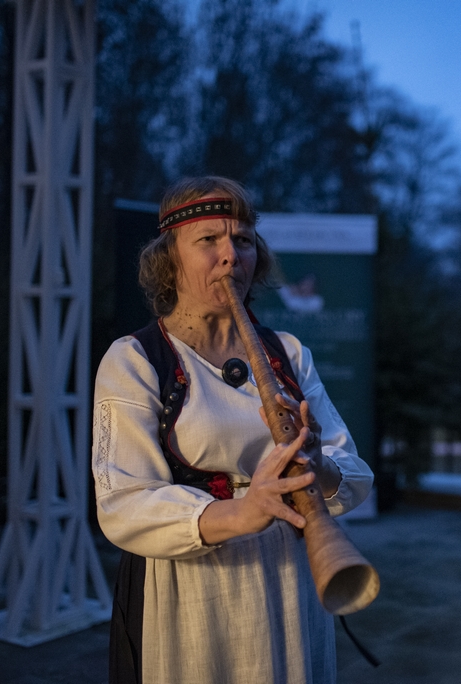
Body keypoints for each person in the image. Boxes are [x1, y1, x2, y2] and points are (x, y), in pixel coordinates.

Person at [92, 176, 374, 683]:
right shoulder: (136, 359)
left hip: (294, 578)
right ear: (170, 259)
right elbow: (123, 504)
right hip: (197, 589)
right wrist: (243, 511)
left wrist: (318, 465)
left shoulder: (287, 352)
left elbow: (352, 471)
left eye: (243, 240)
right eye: (209, 240)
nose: (231, 256)